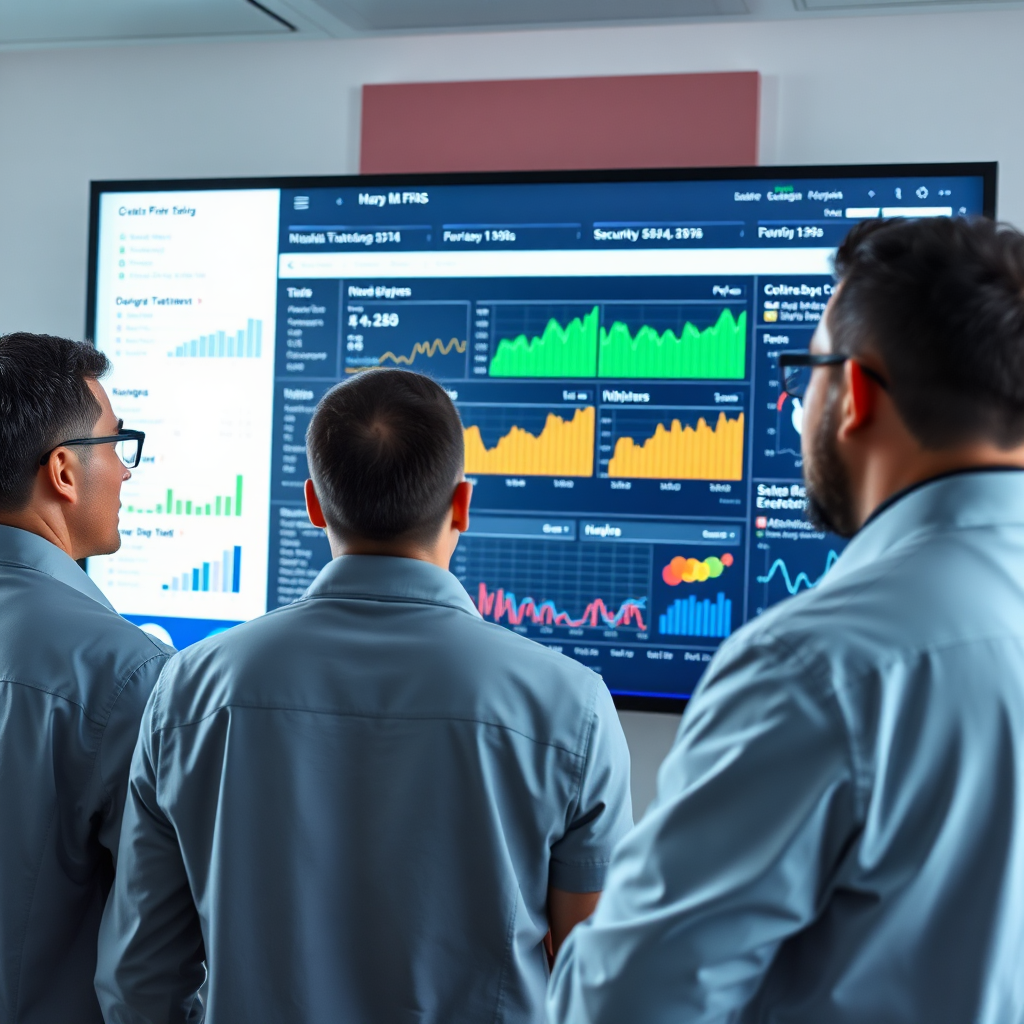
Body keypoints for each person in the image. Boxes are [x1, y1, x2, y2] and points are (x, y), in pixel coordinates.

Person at [548, 216, 1024, 1024]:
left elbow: (621, 1006)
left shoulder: (816, 666)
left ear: (855, 394)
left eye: (807, 373)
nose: (797, 410)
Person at [96, 367, 632, 1023]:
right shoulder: (570, 706)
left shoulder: (191, 689)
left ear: (314, 504)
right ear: (461, 504)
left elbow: (140, 981)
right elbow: (602, 988)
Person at [0, 332, 172, 1024]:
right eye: (116, 443)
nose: (127, 473)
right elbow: (155, 955)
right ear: (65, 472)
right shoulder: (127, 674)